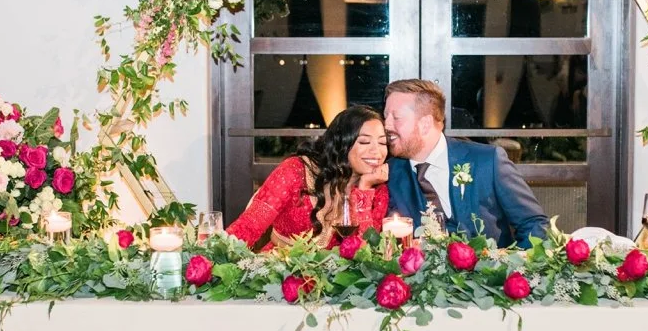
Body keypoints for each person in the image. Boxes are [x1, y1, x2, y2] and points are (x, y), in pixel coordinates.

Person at [383, 79, 549, 247]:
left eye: (396, 117)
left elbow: (534, 224)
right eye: (385, 116)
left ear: (425, 124)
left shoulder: (488, 161)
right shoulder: (390, 174)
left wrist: (514, 268)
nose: (386, 125)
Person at [226, 105, 391, 251]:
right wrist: (211, 260)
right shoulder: (296, 171)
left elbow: (368, 255)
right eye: (364, 142)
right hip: (280, 273)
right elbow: (249, 226)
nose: (377, 152)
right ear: (342, 143)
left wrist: (364, 189)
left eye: (382, 143)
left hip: (336, 283)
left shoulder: (377, 190)